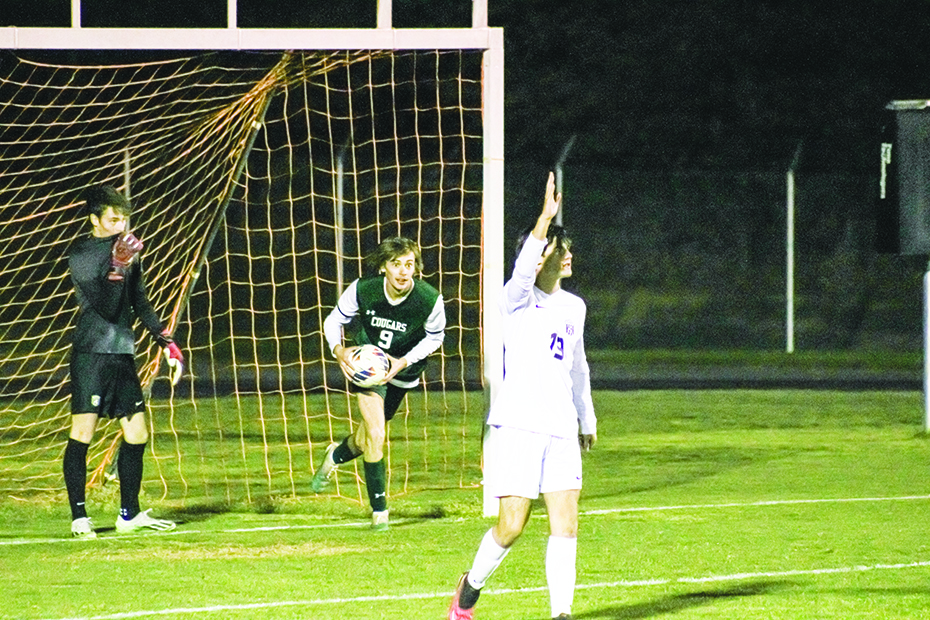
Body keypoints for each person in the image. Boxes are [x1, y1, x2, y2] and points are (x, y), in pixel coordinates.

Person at [447, 173, 596, 620]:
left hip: (561, 428)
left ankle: (561, 613)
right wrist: (542, 222)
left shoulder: (575, 307)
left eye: (567, 248)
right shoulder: (516, 298)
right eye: (560, 248)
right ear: (540, 257)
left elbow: (577, 366)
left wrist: (586, 418)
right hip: (517, 427)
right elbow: (521, 267)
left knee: (566, 523)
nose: (568, 254)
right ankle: (469, 589)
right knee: (511, 526)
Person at [65, 185, 184, 539]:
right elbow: (106, 304)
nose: (121, 225)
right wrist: (116, 264)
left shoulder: (125, 252)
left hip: (121, 353)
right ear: (95, 220)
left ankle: (128, 514)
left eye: (124, 219)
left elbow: (138, 301)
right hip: (91, 354)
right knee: (82, 434)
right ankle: (79, 517)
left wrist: (167, 342)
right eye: (113, 219)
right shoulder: (83, 253)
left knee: (138, 434)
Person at [312, 236, 446, 531]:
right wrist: (339, 351)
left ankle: (333, 455)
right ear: (384, 266)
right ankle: (380, 513)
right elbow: (332, 322)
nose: (403, 271)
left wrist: (404, 361)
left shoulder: (429, 299)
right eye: (396, 264)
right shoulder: (364, 289)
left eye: (409, 264)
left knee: (364, 440)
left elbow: (435, 337)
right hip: (368, 372)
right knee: (376, 433)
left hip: (403, 372)